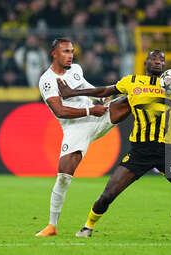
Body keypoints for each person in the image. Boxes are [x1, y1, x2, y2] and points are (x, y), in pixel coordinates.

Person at [57, 50, 171, 237]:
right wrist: (72, 93)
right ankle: (88, 227)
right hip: (140, 151)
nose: (158, 62)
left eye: (162, 59)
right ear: (145, 62)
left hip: (167, 151)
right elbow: (104, 91)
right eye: (154, 58)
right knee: (108, 194)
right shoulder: (132, 81)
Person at [35, 38, 130, 237]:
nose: (70, 55)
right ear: (54, 54)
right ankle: (52, 226)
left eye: (71, 51)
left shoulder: (76, 69)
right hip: (75, 128)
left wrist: (101, 98)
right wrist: (90, 110)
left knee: (133, 99)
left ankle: (165, 91)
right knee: (63, 177)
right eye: (65, 52)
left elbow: (86, 86)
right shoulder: (47, 80)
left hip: (97, 116)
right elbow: (59, 111)